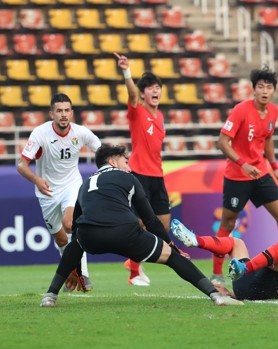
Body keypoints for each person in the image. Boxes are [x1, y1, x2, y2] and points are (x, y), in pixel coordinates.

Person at [40, 145, 243, 307]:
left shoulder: (85, 184)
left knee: (75, 243)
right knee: (173, 257)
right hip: (124, 233)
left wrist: (75, 264)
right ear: (113, 161)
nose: (129, 167)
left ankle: (50, 295)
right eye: (126, 162)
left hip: (90, 237)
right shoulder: (128, 177)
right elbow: (151, 220)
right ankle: (215, 295)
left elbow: (75, 225)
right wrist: (171, 245)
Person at [213, 66, 278, 287]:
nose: (265, 91)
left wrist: (274, 167)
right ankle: (217, 273)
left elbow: (267, 139)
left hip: (261, 174)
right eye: (260, 87)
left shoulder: (273, 111)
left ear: (273, 91)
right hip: (238, 175)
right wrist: (242, 164)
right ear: (253, 90)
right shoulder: (240, 110)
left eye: (269, 87)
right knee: (228, 221)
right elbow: (222, 142)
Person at [18, 93, 101, 291]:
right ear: (51, 114)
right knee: (62, 239)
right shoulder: (40, 133)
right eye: (59, 111)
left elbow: (101, 150)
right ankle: (71, 269)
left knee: (69, 224)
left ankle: (83, 273)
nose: (63, 115)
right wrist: (36, 179)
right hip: (46, 192)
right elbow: (22, 165)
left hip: (71, 186)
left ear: (72, 113)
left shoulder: (81, 133)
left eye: (66, 111)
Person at [114, 52, 178, 286]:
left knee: (163, 225)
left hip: (158, 176)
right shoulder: (137, 111)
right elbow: (131, 93)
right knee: (140, 223)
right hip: (139, 174)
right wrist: (126, 71)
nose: (155, 91)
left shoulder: (160, 116)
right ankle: (133, 271)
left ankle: (133, 263)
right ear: (143, 93)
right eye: (150, 87)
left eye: (158, 87)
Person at [171, 210, 278, 300]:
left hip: (272, 290)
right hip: (250, 282)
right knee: (237, 242)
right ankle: (194, 240)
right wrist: (233, 293)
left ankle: (244, 268)